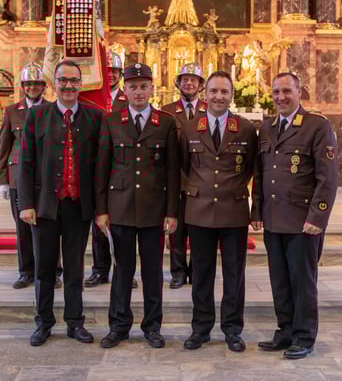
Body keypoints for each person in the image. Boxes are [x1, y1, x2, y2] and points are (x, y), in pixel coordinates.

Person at [18, 60, 103, 346]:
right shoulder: (37, 115)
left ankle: (75, 322)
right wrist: (25, 203)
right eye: (63, 80)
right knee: (44, 269)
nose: (68, 85)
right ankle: (43, 323)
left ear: (81, 84)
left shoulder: (94, 117)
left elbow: (100, 165)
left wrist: (101, 207)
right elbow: (26, 161)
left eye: (74, 80)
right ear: (54, 83)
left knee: (75, 269)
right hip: (44, 206)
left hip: (78, 206)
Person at [95, 63, 180, 349]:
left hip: (153, 209)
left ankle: (152, 327)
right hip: (120, 207)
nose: (139, 92)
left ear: (151, 88)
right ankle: (118, 326)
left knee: (152, 272)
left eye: (144, 86)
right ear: (125, 89)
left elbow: (172, 171)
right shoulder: (112, 120)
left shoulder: (165, 122)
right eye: (133, 87)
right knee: (122, 271)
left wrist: (171, 212)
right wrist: (101, 210)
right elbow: (102, 168)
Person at [256, 72, 338, 359]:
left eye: (286, 91)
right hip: (273, 218)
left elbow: (327, 178)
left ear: (299, 92)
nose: (281, 97)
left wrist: (317, 217)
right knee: (279, 281)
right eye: (276, 92)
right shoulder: (267, 127)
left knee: (302, 282)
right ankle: (285, 331)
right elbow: (261, 173)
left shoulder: (317, 126)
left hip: (303, 222)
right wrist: (257, 211)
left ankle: (304, 336)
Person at [179, 70, 260, 353]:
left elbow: (251, 169)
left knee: (234, 275)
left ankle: (232, 329)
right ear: (205, 94)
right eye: (213, 91)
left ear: (231, 95)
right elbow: (184, 167)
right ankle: (200, 329)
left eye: (224, 91)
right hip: (199, 211)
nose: (218, 96)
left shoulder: (246, 129)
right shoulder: (190, 128)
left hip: (233, 211)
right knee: (201, 274)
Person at [0, 62, 63, 290]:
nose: (32, 87)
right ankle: (26, 271)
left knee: (50, 227)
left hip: (47, 178)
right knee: (23, 229)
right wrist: (3, 180)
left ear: (44, 86)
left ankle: (53, 272)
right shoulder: (12, 111)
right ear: (22, 86)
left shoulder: (54, 109)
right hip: (18, 178)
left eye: (36, 84)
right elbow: (4, 147)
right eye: (28, 84)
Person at [85, 51, 137, 289]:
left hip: (122, 165)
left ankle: (125, 270)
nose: (111, 76)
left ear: (121, 75)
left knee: (124, 224)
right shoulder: (92, 98)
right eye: (107, 72)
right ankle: (100, 269)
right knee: (99, 221)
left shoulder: (129, 99)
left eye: (114, 72)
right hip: (97, 164)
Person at [160, 62, 207, 289]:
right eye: (185, 80)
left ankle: (197, 271)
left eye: (193, 80)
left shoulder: (209, 109)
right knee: (176, 230)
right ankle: (178, 272)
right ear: (178, 83)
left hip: (202, 180)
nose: (189, 83)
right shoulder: (167, 111)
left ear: (200, 85)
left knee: (199, 231)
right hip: (176, 179)